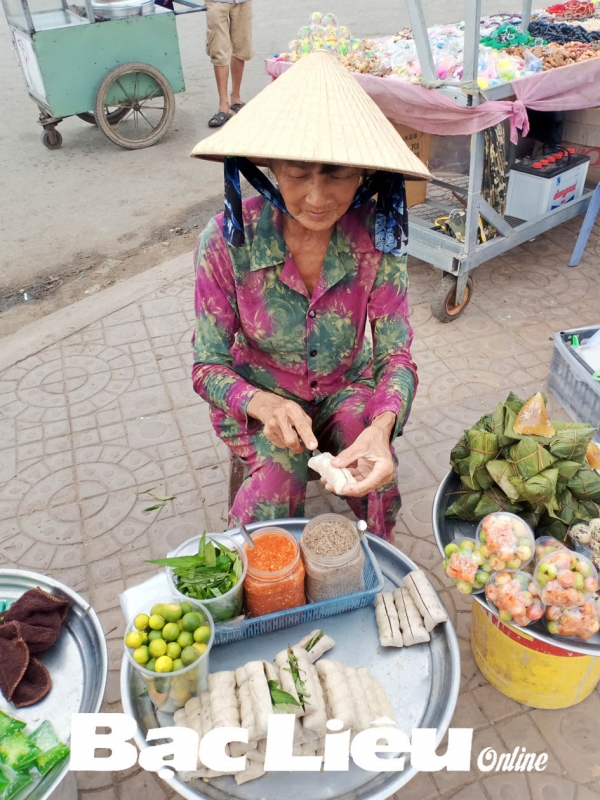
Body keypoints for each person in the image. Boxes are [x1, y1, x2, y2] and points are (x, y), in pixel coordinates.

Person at [189, 52, 430, 540]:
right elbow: (207, 367)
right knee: (277, 487)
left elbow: (396, 357)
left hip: (345, 386)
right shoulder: (226, 241)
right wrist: (262, 405)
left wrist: (380, 429)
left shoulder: (377, 240)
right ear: (270, 167)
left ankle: (379, 572)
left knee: (376, 480)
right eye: (297, 173)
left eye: (337, 173)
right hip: (260, 395)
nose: (317, 198)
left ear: (363, 174)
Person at [205, 0, 253, 128]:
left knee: (241, 47)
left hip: (243, 2)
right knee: (219, 50)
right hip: (217, 2)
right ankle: (223, 105)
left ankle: (236, 98)